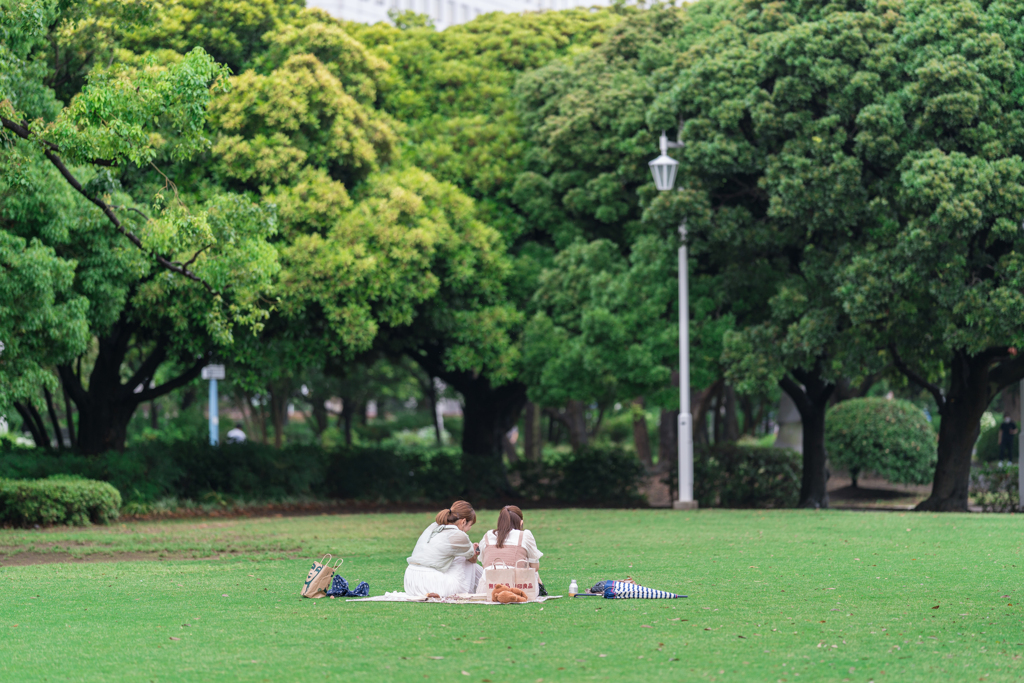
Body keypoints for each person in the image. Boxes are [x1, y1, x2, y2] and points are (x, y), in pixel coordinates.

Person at [404, 501, 483, 597]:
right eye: (470, 525)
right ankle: (487, 585)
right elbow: (472, 560)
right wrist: (474, 552)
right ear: (463, 522)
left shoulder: (433, 525)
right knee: (463, 558)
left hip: (410, 581)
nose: (469, 529)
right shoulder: (459, 535)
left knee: (457, 556)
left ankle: (487, 584)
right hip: (432, 581)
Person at [477, 505, 544, 593]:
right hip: (515, 588)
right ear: (521, 522)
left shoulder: (488, 535)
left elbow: (484, 564)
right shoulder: (525, 535)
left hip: (488, 588)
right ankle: (542, 589)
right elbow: (535, 567)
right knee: (531, 567)